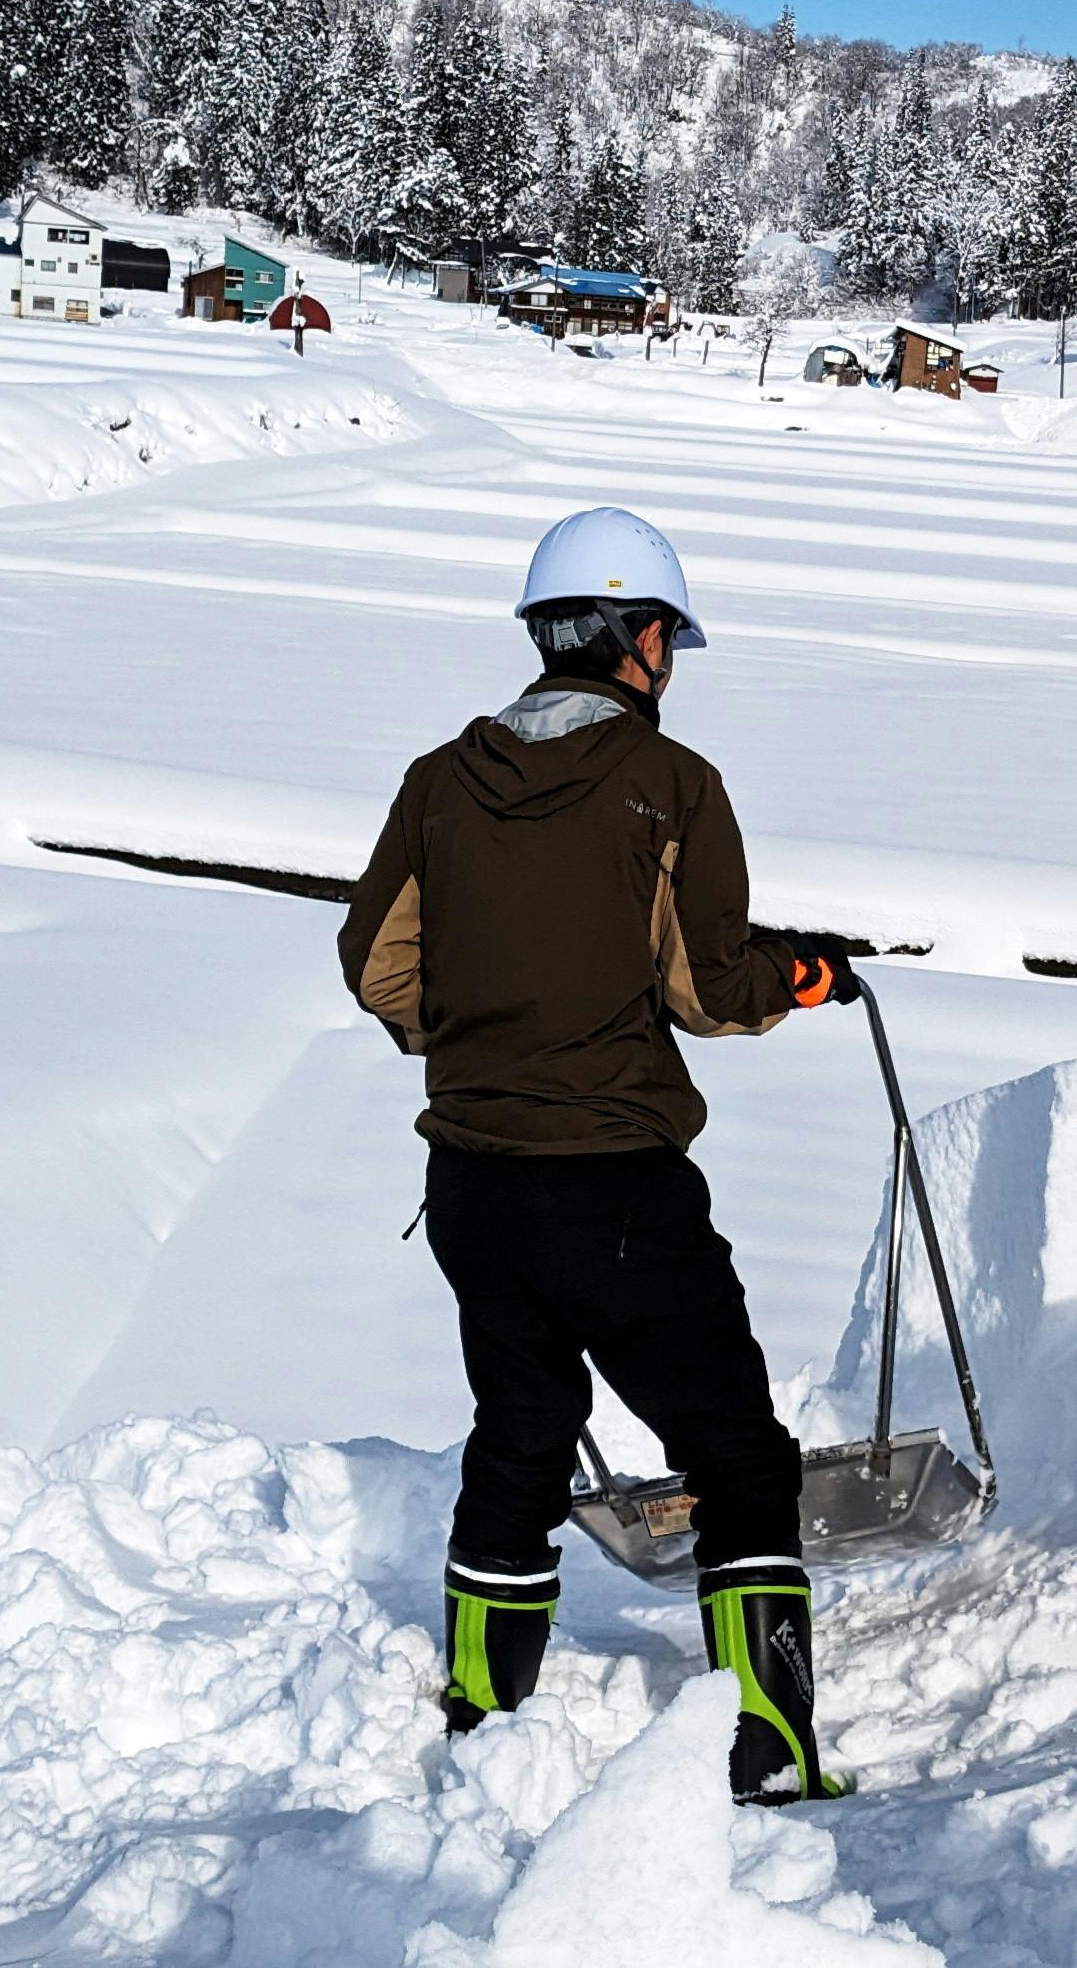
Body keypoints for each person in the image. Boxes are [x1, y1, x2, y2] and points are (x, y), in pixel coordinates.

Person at [336, 506, 861, 1805]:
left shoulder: (436, 782)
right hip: (617, 1187)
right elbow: (703, 985)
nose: (671, 660)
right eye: (667, 636)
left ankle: (480, 1714)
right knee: (736, 1453)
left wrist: (475, 1042)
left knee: (520, 1434)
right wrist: (795, 979)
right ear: (630, 639)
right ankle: (773, 1743)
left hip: (471, 1185)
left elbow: (375, 964)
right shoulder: (673, 788)